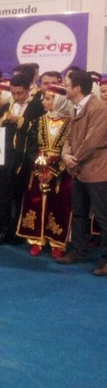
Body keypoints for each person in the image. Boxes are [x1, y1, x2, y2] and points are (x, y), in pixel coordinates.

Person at [57, 69, 107, 276]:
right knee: (78, 213)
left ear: (77, 88)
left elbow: (92, 142)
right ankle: (78, 250)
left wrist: (73, 159)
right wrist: (65, 155)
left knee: (103, 217)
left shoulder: (99, 109)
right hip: (78, 169)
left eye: (67, 86)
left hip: (97, 170)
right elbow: (68, 137)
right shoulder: (74, 108)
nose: (64, 89)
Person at [16, 85, 74, 258]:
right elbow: (32, 146)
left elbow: (70, 148)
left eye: (48, 99)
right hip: (39, 171)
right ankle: (36, 239)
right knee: (35, 202)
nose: (43, 101)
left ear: (59, 101)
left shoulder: (70, 123)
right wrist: (40, 167)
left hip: (61, 172)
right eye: (44, 98)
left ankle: (56, 241)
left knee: (59, 205)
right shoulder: (39, 121)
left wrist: (54, 171)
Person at [0, 69, 45, 245]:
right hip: (4, 157)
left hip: (25, 159)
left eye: (20, 93)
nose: (16, 97)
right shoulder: (6, 106)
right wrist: (0, 123)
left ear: (28, 89)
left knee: (20, 196)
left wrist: (20, 121)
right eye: (13, 93)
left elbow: (39, 132)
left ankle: (18, 230)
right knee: (3, 195)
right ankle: (3, 228)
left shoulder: (37, 106)